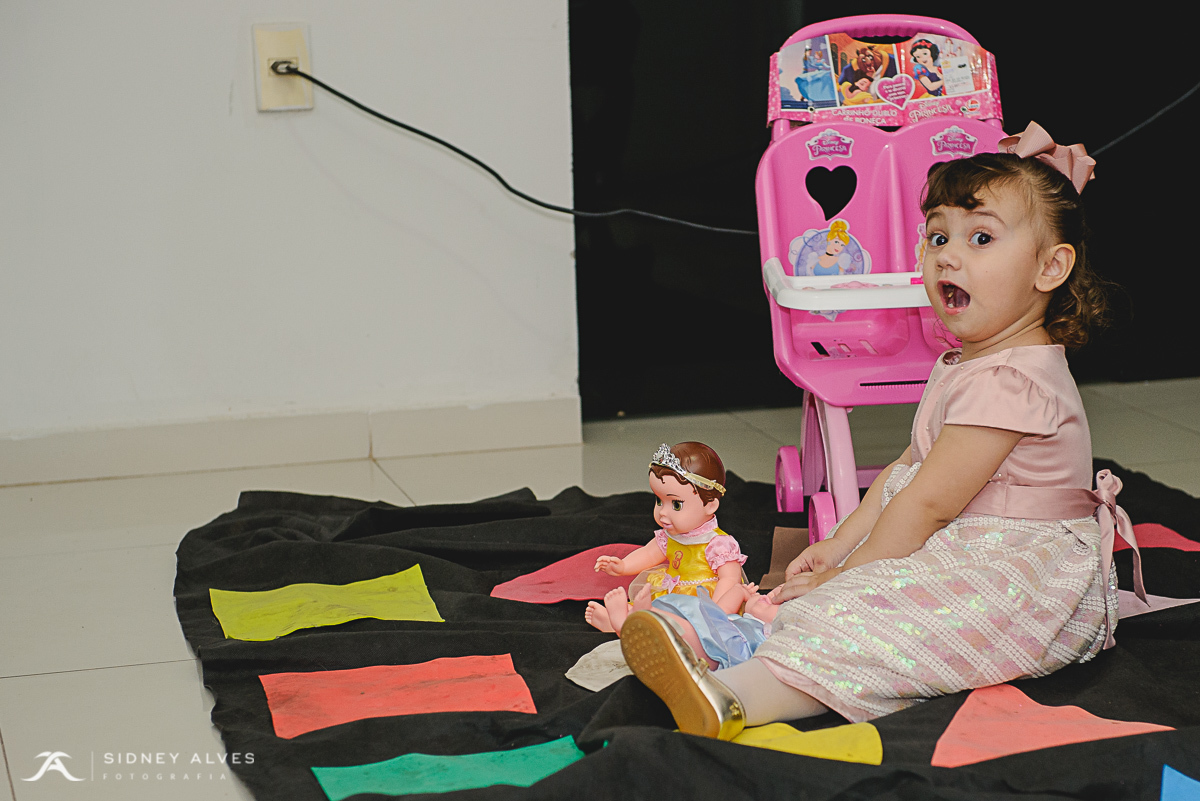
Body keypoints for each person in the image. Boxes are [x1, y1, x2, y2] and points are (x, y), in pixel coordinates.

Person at [620, 122, 1130, 741]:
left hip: (1023, 580)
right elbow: (907, 473)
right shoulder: (974, 362)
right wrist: (840, 547)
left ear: (1050, 268)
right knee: (830, 596)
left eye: (980, 238)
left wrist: (852, 571)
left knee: (885, 627)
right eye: (937, 235)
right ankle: (727, 652)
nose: (947, 254)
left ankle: (733, 697)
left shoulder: (1011, 382)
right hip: (973, 542)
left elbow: (930, 503)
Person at [586, 442, 746, 631]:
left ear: (710, 505)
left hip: (702, 601)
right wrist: (623, 566)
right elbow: (649, 554)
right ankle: (627, 619)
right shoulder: (669, 536)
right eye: (659, 501)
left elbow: (730, 579)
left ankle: (629, 623)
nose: (663, 513)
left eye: (676, 505)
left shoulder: (718, 544)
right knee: (654, 610)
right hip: (670, 593)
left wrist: (716, 610)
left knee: (682, 623)